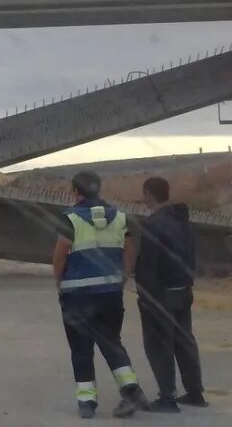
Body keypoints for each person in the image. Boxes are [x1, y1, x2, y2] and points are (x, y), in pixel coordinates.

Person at [52, 170, 149, 419]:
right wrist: (122, 277)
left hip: (77, 297)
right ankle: (131, 389)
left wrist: (59, 283)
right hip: (110, 294)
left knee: (81, 349)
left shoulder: (70, 219)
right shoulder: (119, 218)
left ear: (75, 192)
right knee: (111, 342)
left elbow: (60, 256)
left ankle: (87, 403)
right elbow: (130, 250)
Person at [135, 176, 207, 412]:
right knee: (184, 341)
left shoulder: (153, 224)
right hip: (183, 290)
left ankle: (167, 397)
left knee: (158, 345)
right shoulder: (183, 221)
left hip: (160, 294)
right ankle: (195, 392)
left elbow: (148, 263)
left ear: (148, 194)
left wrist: (145, 295)